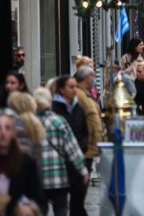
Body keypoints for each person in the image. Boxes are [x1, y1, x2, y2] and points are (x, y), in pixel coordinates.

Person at [34, 87, 88, 216]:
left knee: (39, 210)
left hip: (37, 176)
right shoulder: (58, 121)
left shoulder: (30, 122)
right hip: (58, 176)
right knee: (61, 209)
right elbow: (72, 148)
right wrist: (83, 170)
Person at [51, 75, 89, 216]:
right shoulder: (54, 109)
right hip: (61, 162)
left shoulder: (78, 108)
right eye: (71, 87)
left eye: (76, 87)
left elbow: (85, 132)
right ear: (62, 89)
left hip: (78, 157)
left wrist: (82, 146)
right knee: (60, 203)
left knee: (78, 200)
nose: (74, 90)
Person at [0, 110, 46, 215]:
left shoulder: (26, 163)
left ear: (14, 132)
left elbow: (39, 200)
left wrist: (30, 209)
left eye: (7, 128)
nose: (3, 132)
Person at [74, 66, 103, 178]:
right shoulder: (79, 95)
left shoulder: (86, 94)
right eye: (93, 76)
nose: (95, 79)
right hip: (84, 147)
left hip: (90, 147)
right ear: (87, 77)